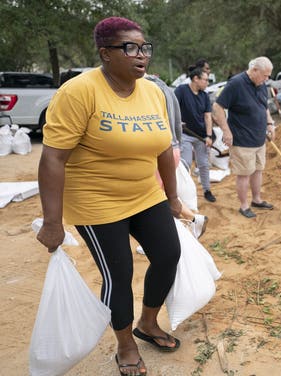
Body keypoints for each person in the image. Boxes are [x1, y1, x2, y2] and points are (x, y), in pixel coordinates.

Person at [37, 17, 181, 376]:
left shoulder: (152, 91)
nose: (141, 55)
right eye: (129, 48)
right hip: (96, 201)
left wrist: (173, 198)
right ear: (105, 54)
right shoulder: (79, 92)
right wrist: (53, 222)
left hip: (145, 194)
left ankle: (147, 323)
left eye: (144, 47)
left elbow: (164, 148)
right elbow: (53, 157)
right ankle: (125, 345)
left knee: (168, 254)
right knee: (119, 273)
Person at [145, 74, 208, 238]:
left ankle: (186, 222)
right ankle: (191, 220)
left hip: (158, 151)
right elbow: (178, 123)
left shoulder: (144, 91)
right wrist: (177, 145)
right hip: (172, 148)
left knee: (155, 198)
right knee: (163, 195)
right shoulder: (167, 89)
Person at [213, 56, 275, 218]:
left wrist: (270, 123)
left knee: (258, 170)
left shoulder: (261, 84)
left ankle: (257, 199)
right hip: (242, 139)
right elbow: (217, 107)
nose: (267, 79)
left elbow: (264, 106)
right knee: (244, 173)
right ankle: (244, 205)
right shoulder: (236, 84)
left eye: (268, 76)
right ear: (254, 70)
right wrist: (226, 131)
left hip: (259, 138)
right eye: (265, 75)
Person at [175, 67, 216, 202]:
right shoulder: (181, 90)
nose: (207, 83)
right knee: (186, 163)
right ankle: (185, 193)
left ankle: (207, 190)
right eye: (205, 80)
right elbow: (172, 107)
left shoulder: (204, 96)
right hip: (185, 134)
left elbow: (208, 117)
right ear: (195, 79)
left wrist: (209, 136)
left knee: (203, 164)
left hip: (201, 136)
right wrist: (177, 120)